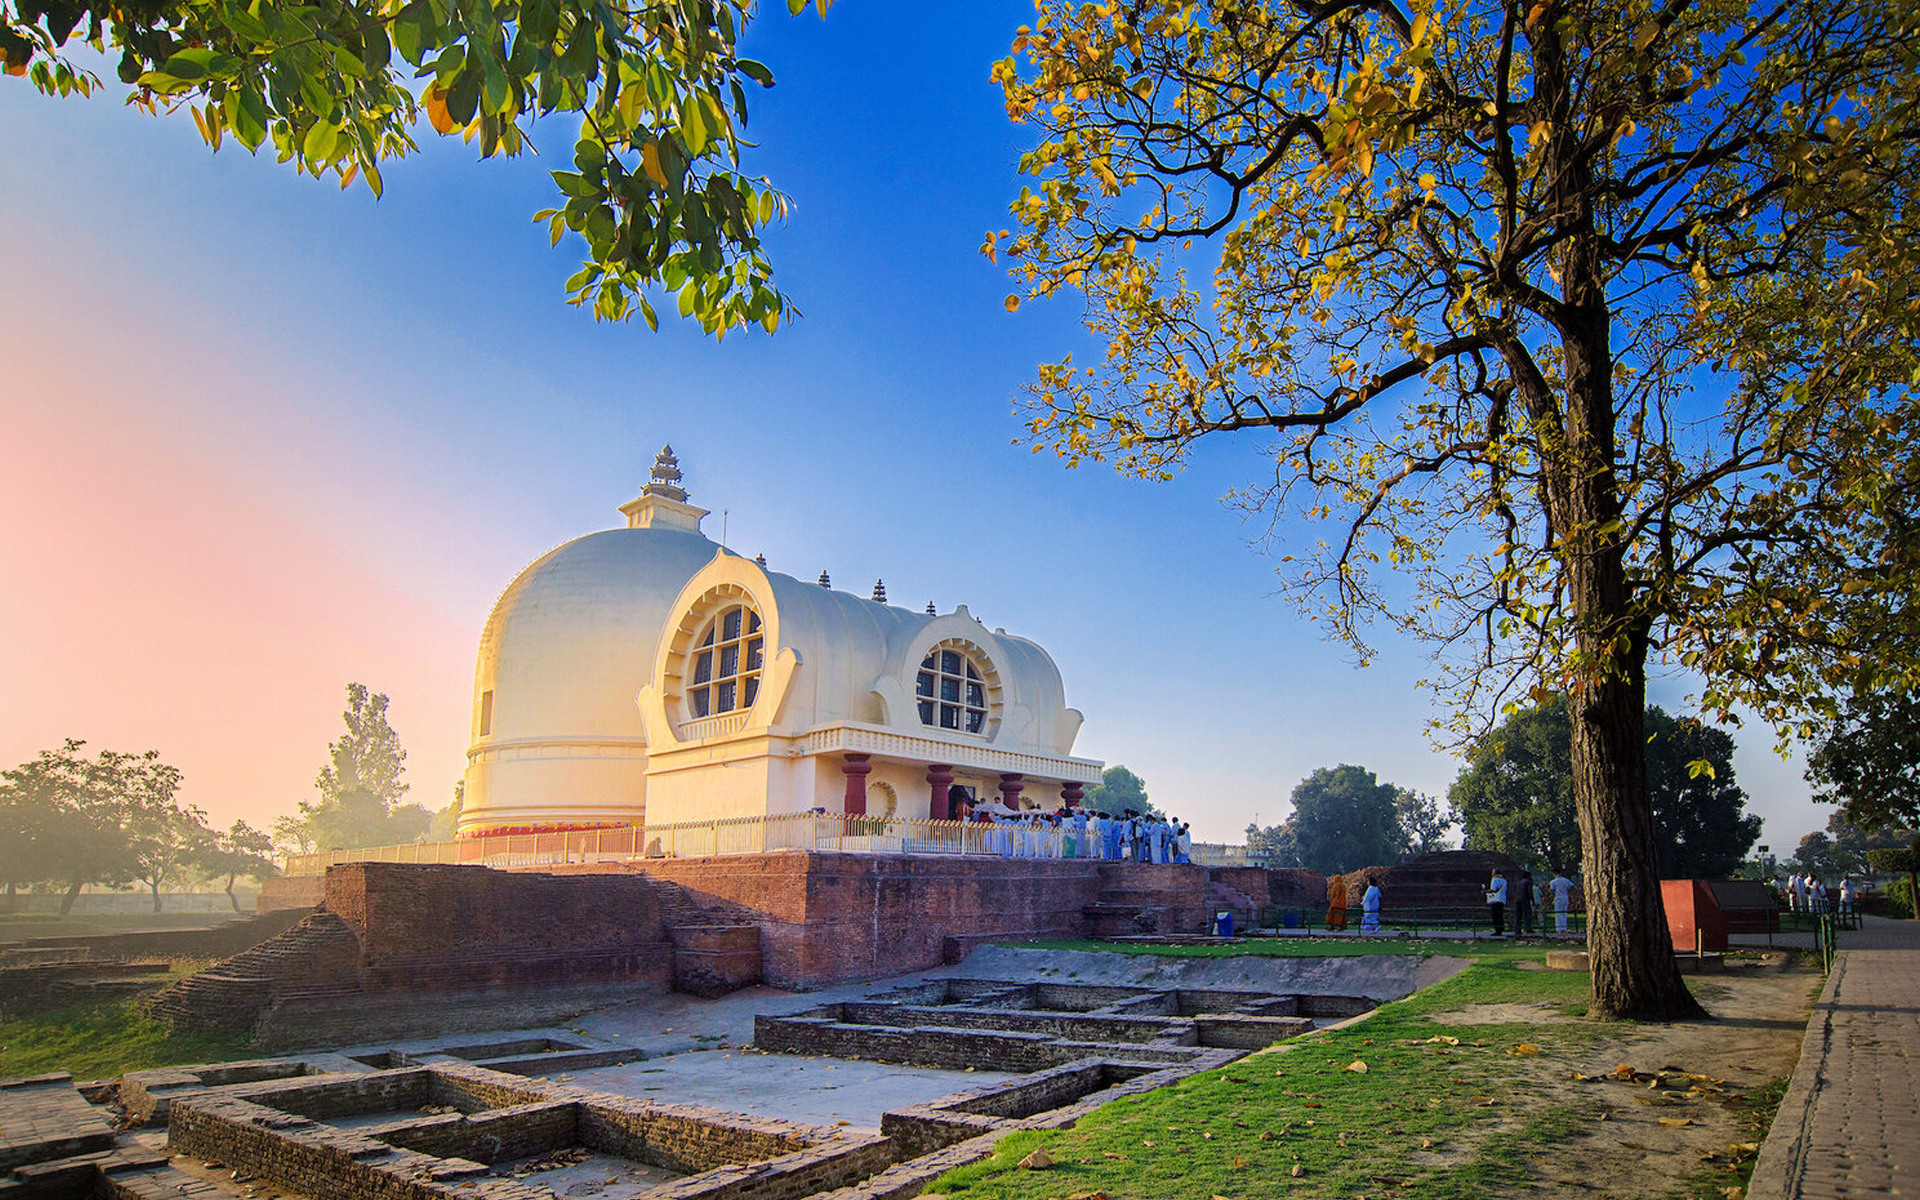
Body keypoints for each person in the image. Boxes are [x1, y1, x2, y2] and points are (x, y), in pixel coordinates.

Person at [1549, 869, 1575, 935]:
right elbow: (1573, 887)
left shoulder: (1553, 882)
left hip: (1558, 898)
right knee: (1564, 913)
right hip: (1565, 897)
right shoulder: (1566, 880)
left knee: (1558, 913)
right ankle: (1564, 928)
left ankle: (1559, 929)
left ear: (1554, 874)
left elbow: (1552, 891)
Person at [1487, 870, 1509, 937]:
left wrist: (1486, 891)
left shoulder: (1494, 880)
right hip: (1502, 900)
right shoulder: (1504, 881)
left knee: (1495, 916)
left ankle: (1497, 930)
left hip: (1496, 900)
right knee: (1500, 915)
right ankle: (1501, 929)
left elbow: (1494, 889)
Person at [1515, 870, 1536, 937]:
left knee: (1518, 916)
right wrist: (1532, 900)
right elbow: (1530, 892)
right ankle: (1528, 928)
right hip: (1525, 899)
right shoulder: (1528, 882)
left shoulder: (1519, 883)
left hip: (1518, 899)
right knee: (1528, 914)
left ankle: (1517, 929)